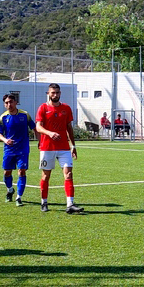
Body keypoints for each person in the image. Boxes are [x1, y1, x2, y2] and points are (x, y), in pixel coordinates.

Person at [35, 83, 83, 214]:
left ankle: (70, 204)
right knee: (46, 176)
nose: (55, 95)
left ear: (60, 93)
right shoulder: (43, 108)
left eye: (57, 92)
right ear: (48, 94)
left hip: (64, 148)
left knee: (69, 174)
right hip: (47, 147)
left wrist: (73, 145)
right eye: (52, 93)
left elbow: (69, 128)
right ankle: (44, 201)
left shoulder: (66, 108)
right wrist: (50, 133)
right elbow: (38, 127)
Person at [0, 93, 35, 206]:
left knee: (21, 171)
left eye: (11, 102)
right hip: (9, 150)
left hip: (23, 149)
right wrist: (5, 140)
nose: (9, 104)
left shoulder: (25, 115)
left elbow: (34, 127)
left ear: (16, 102)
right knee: (7, 172)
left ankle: (19, 197)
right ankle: (10, 190)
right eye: (6, 103)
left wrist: (40, 141)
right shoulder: (3, 117)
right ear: (4, 105)